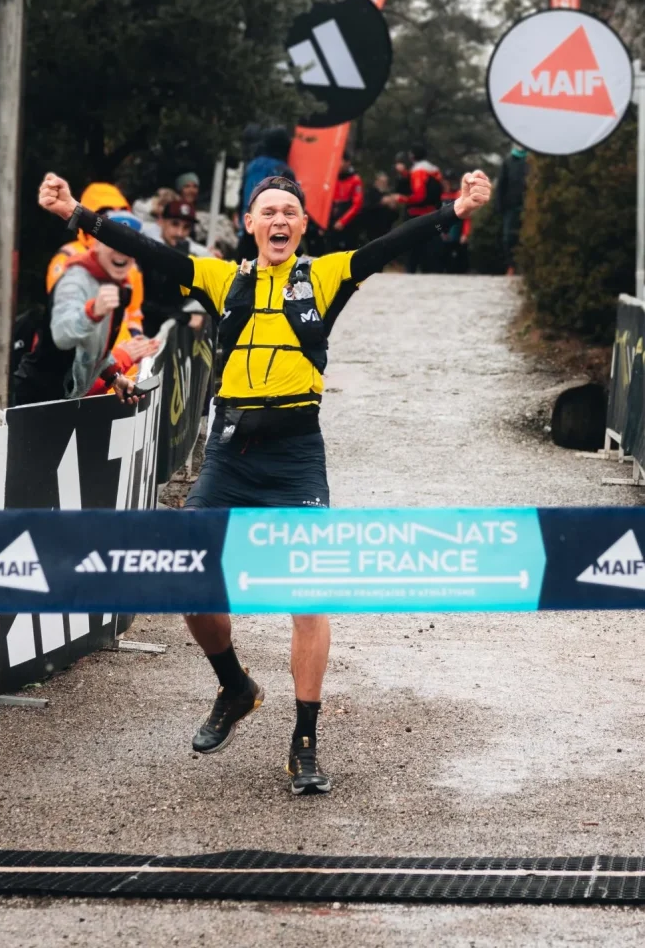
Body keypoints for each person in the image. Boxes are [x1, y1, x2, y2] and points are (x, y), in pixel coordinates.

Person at [38, 166, 492, 795]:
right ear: (248, 225)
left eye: (290, 212)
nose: (279, 221)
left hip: (296, 454)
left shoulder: (327, 273)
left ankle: (305, 739)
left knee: (307, 596)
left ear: (304, 225)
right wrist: (76, 216)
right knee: (187, 583)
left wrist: (456, 207)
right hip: (229, 454)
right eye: (268, 212)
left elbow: (390, 245)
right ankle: (234, 685)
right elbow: (150, 252)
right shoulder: (224, 278)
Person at [13, 210, 156, 404]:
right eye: (113, 244)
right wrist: (93, 312)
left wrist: (114, 376)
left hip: (70, 398)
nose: (121, 254)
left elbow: (93, 346)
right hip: (39, 398)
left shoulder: (119, 284)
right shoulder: (75, 279)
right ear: (97, 244)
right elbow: (63, 336)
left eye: (130, 247)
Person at [46, 182, 130, 295]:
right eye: (106, 215)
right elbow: (62, 304)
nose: (115, 223)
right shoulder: (68, 256)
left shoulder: (128, 258)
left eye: (121, 214)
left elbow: (135, 309)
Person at [141, 199, 208, 336]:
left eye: (186, 227)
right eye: (175, 224)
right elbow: (142, 302)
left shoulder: (192, 254)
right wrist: (183, 317)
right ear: (161, 221)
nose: (179, 233)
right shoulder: (145, 252)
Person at [237, 126, 295, 260]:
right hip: (270, 233)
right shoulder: (282, 170)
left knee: (243, 273)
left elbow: (242, 194)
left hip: (248, 227)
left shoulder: (252, 165)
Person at [385, 144, 443, 273]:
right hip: (433, 213)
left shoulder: (418, 171)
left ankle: (411, 270)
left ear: (412, 156)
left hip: (417, 214)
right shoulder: (433, 169)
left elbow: (419, 196)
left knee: (413, 246)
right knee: (431, 246)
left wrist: (401, 198)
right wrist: (404, 173)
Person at [496, 144, 529, 276]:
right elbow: (501, 186)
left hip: (528, 205)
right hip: (511, 206)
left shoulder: (530, 160)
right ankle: (511, 266)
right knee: (508, 238)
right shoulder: (508, 161)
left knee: (526, 237)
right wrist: (499, 206)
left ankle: (525, 266)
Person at [327, 153, 364, 252]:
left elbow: (357, 204)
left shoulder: (355, 179)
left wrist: (343, 221)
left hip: (348, 223)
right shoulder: (333, 178)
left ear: (347, 163)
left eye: (341, 161)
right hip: (333, 219)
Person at [439, 169, 471, 274]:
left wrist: (465, 234)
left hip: (458, 234)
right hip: (444, 234)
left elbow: (467, 218)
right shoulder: (440, 197)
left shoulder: (460, 196)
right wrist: (441, 231)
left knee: (460, 261)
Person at [360, 172, 397, 244]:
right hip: (371, 230)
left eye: (386, 182)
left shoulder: (388, 194)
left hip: (386, 231)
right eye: (382, 182)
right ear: (377, 182)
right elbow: (366, 209)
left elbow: (395, 216)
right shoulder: (370, 193)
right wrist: (381, 203)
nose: (384, 184)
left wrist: (393, 208)